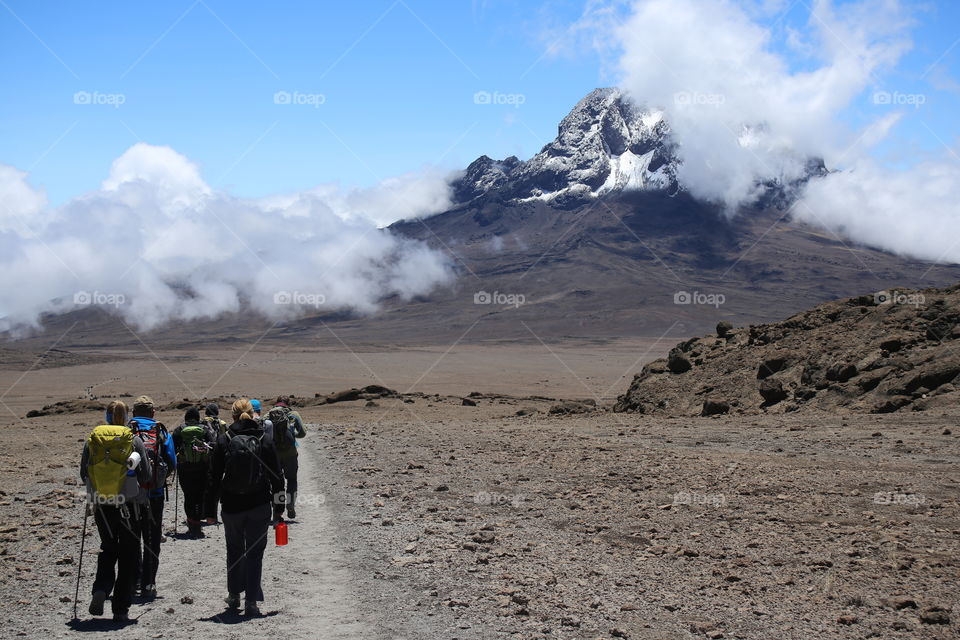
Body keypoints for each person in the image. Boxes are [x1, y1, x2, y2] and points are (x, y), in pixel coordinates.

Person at [205, 399, 284, 617]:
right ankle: (251, 602)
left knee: (234, 550)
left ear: (232, 415)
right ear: (253, 414)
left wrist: (209, 511)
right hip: (259, 505)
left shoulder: (224, 439)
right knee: (255, 553)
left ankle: (234, 595)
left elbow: (213, 477)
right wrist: (279, 507)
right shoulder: (264, 439)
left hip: (231, 506)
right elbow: (277, 476)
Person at [80, 401, 152, 621]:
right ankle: (120, 609)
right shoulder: (134, 440)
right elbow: (146, 475)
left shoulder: (93, 439)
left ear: (107, 416)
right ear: (126, 416)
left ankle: (101, 589)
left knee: (108, 548)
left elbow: (84, 474)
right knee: (129, 555)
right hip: (129, 506)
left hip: (103, 505)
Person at [128, 395, 176, 599]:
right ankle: (149, 584)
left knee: (132, 537)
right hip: (154, 493)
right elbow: (172, 461)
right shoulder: (161, 430)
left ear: (133, 413)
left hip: (130, 494)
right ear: (153, 412)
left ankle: (133, 582)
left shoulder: (126, 430)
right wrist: (159, 479)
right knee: (152, 538)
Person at [171, 407, 216, 538]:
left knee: (188, 495)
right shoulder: (205, 429)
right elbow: (213, 446)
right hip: (202, 468)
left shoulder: (179, 430)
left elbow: (172, 449)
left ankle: (192, 523)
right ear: (198, 418)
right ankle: (197, 523)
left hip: (185, 469)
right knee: (200, 495)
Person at [266, 397, 306, 519]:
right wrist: (292, 435)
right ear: (288, 404)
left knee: (276, 481)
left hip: (274, 454)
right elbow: (303, 433)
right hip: (290, 453)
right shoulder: (293, 414)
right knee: (292, 479)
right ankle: (290, 503)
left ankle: (277, 508)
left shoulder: (268, 415)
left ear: (276, 403)